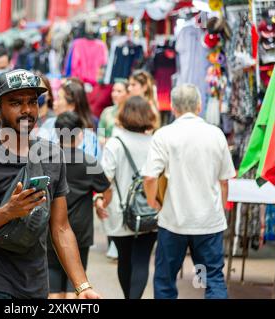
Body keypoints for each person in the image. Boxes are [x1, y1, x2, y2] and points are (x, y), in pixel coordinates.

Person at [0, 69, 101, 299]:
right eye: (15, 102)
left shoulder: (52, 155)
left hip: (36, 282)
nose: (26, 110)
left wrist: (82, 286)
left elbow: (61, 228)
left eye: (32, 101)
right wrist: (7, 213)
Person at [143, 84, 236, 299]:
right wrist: (220, 210)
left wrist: (153, 202)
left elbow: (150, 177)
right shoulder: (216, 134)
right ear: (199, 105)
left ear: (173, 107)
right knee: (212, 278)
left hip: (173, 220)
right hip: (208, 221)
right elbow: (224, 181)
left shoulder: (164, 135)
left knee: (166, 280)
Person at [95, 96, 157, 299]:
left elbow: (106, 178)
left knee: (124, 259)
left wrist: (100, 200)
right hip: (149, 210)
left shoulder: (115, 143)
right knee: (141, 260)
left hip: (120, 212)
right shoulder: (156, 142)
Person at [48, 111, 110, 299]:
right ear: (81, 134)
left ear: (57, 133)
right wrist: (99, 202)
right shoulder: (89, 162)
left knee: (52, 282)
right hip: (79, 231)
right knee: (76, 283)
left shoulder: (46, 160)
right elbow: (107, 190)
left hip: (49, 228)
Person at [38, 80, 102, 160]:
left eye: (59, 99)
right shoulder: (48, 124)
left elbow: (92, 168)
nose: (54, 103)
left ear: (72, 105)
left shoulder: (89, 138)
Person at [98, 80, 130, 146]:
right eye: (113, 91)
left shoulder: (133, 114)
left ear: (128, 94)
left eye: (119, 91)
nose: (114, 94)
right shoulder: (107, 111)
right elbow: (100, 135)